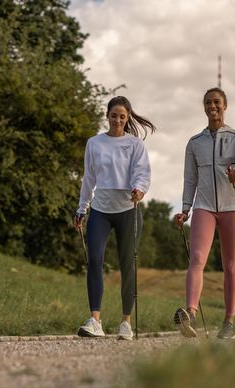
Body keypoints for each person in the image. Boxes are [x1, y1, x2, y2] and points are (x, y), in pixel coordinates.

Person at [174, 87, 235, 339]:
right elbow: (190, 179)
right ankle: (191, 314)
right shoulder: (194, 143)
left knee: (230, 265)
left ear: (225, 105)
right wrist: (185, 209)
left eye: (216, 102)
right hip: (204, 206)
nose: (212, 106)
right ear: (204, 106)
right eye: (208, 102)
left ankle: (229, 322)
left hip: (232, 207)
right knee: (197, 258)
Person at [74, 96, 155, 340]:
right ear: (107, 116)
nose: (117, 120)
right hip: (100, 209)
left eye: (122, 116)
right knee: (95, 259)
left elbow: (143, 172)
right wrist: (81, 208)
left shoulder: (135, 144)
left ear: (127, 118)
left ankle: (125, 323)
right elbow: (88, 178)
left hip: (128, 210)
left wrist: (139, 189)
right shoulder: (94, 143)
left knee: (127, 264)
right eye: (113, 115)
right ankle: (95, 320)